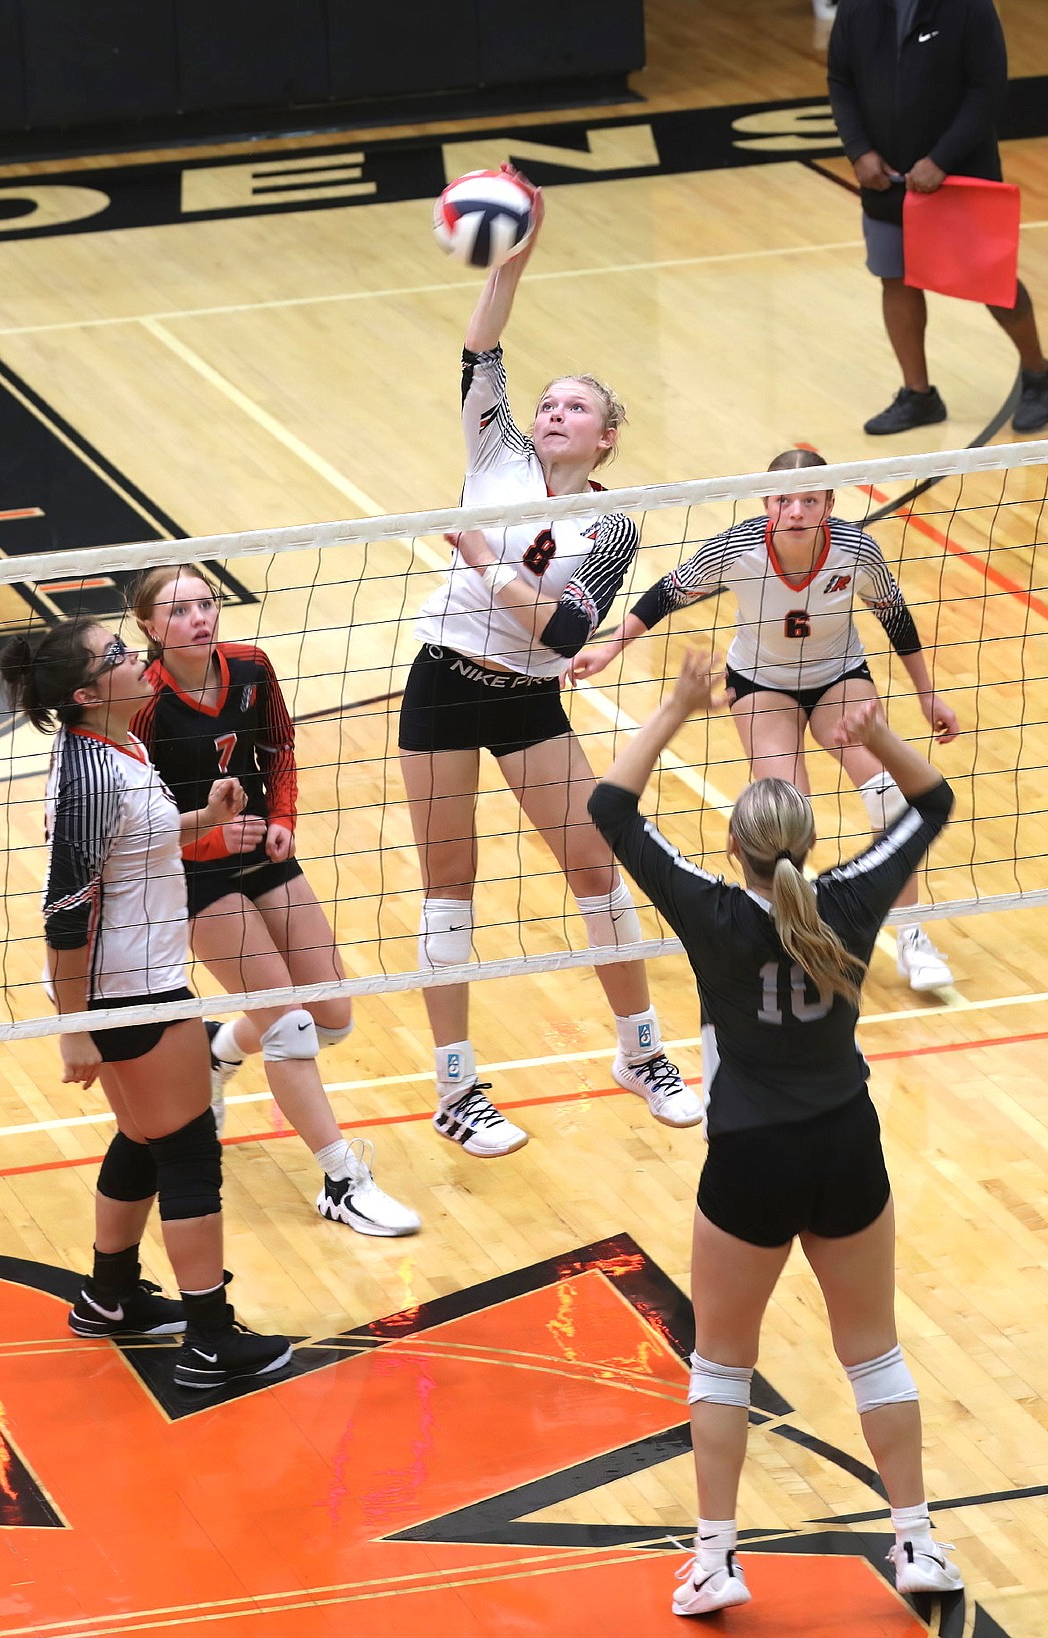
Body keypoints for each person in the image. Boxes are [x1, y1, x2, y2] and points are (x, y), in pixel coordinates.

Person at [589, 651, 963, 1617]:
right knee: (874, 1353)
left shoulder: (712, 913)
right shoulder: (846, 901)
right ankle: (916, 1542)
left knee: (722, 1361)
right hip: (847, 1145)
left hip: (750, 1160)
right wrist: (871, 735)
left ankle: (717, 1559)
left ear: (736, 847)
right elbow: (931, 806)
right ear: (806, 837)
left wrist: (676, 706)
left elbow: (612, 814)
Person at [398, 168, 696, 1159]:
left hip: (526, 699)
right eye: (552, 401)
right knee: (451, 880)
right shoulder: (496, 451)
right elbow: (483, 344)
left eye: (578, 408)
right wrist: (512, 263)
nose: (557, 412)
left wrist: (486, 564)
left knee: (594, 867)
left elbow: (566, 640)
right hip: (446, 684)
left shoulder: (608, 526)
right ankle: (454, 1089)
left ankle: (642, 1051)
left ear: (605, 437)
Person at [0, 617, 294, 1390]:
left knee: (141, 1135)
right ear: (88, 693)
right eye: (117, 655)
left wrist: (206, 823)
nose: (135, 658)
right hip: (129, 988)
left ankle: (111, 1296)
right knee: (188, 1152)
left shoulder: (112, 746)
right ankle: (209, 1340)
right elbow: (66, 914)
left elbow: (133, 846)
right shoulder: (100, 774)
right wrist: (77, 1031)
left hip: (126, 984)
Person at [572, 447, 959, 991]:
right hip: (760, 682)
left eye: (808, 499)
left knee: (889, 794)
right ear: (767, 502)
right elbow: (665, 593)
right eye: (783, 499)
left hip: (837, 675)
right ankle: (791, 935)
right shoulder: (736, 549)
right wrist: (611, 649)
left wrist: (927, 695)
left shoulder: (857, 552)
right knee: (783, 820)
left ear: (829, 501)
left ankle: (914, 939)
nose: (796, 510)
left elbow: (895, 616)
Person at [130, 566, 419, 1238]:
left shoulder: (251, 666)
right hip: (192, 877)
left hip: (263, 851)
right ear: (148, 628)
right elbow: (140, 824)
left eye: (206, 604)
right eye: (178, 611)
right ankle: (343, 1180)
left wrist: (283, 814)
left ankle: (217, 1052)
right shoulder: (143, 706)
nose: (199, 618)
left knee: (332, 1015)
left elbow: (279, 747)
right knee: (288, 1024)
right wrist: (207, 832)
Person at [827, 0, 1048, 436]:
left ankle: (1037, 375)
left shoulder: (968, 7)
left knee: (992, 281)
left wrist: (942, 159)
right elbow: (841, 80)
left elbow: (987, 89)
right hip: (886, 179)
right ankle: (919, 396)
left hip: (961, 176)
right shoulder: (857, 8)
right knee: (895, 277)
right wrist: (858, 149)